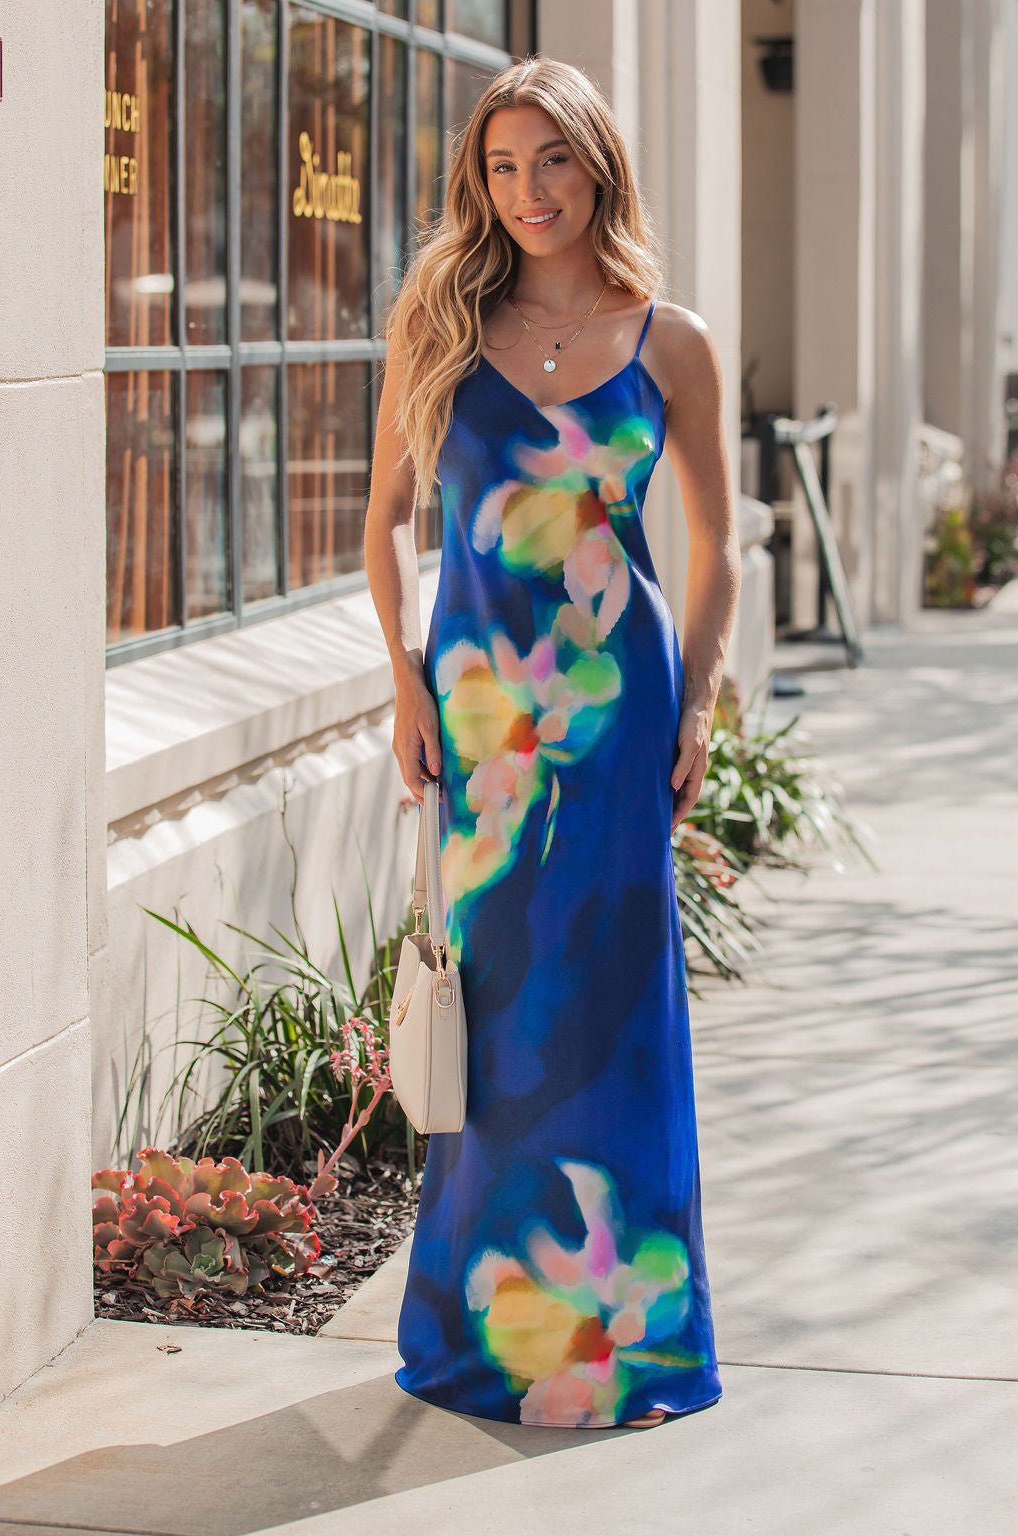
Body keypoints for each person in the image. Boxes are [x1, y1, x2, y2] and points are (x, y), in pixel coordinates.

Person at [364, 54, 741, 1430]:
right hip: (481, 728)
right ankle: (487, 1330)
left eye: (556, 163)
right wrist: (404, 682)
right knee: (506, 1015)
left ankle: (624, 1340)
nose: (531, 193)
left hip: (615, 720)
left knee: (617, 1017)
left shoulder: (671, 341)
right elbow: (386, 529)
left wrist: (695, 703)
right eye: (506, 167)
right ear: (482, 181)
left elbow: (715, 559)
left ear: (599, 169)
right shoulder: (439, 325)